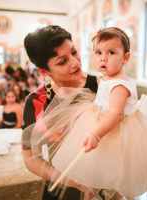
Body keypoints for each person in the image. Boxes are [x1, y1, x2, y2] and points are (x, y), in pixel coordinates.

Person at [31, 27, 147, 199]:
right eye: (98, 52)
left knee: (108, 174)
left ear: (126, 58)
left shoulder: (120, 86)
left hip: (114, 133)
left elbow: (115, 113)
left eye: (111, 52)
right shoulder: (105, 79)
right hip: (99, 121)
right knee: (92, 174)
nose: (103, 58)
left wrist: (96, 133)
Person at [22, 25, 100, 200]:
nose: (75, 62)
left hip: (103, 182)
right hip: (62, 184)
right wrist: (75, 182)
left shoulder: (102, 87)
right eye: (62, 61)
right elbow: (30, 159)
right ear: (43, 71)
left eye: (74, 52)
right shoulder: (37, 101)